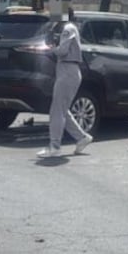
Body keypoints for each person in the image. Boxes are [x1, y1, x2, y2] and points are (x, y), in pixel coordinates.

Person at [37, 11, 93, 158]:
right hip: (67, 71)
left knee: (56, 110)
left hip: (68, 70)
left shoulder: (68, 28)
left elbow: (62, 51)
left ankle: (54, 147)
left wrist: (50, 50)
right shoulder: (68, 28)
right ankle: (82, 137)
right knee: (62, 110)